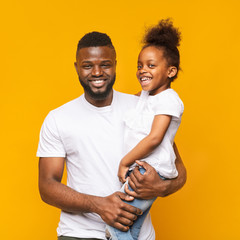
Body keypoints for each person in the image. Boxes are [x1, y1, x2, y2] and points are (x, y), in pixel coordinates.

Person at [37, 31, 186, 240]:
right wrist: (99, 205)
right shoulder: (58, 119)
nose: (97, 72)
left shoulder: (141, 106)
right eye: (88, 65)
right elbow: (47, 186)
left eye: (105, 64)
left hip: (138, 235)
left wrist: (161, 186)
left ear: (115, 64)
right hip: (80, 235)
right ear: (76, 68)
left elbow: (177, 167)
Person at [106, 19, 184, 240]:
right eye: (140, 65)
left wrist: (124, 162)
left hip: (149, 171)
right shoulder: (148, 97)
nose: (142, 71)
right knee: (133, 228)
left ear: (170, 71)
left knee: (116, 226)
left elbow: (155, 138)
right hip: (143, 168)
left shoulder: (168, 99)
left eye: (151, 65)